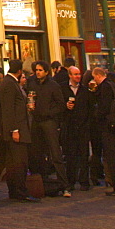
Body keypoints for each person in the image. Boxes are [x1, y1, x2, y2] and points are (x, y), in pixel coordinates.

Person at [0, 58, 39, 203]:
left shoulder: (9, 83)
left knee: (14, 162)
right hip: (17, 130)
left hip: (17, 129)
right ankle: (20, 191)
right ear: (20, 71)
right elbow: (9, 109)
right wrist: (14, 129)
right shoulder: (10, 84)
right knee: (19, 162)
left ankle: (15, 190)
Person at [30, 60, 69, 196]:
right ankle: (43, 183)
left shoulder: (53, 85)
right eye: (36, 70)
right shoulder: (32, 83)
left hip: (49, 121)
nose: (38, 72)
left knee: (55, 152)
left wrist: (49, 113)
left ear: (46, 72)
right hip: (36, 121)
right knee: (38, 152)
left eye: (40, 70)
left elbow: (60, 104)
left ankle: (64, 185)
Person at [92, 66, 115, 197]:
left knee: (113, 157)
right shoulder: (113, 85)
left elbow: (104, 107)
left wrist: (96, 115)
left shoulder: (104, 87)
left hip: (109, 126)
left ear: (97, 76)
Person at [60, 66, 91, 192]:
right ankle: (71, 181)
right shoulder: (63, 88)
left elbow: (89, 108)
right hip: (69, 126)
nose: (78, 76)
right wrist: (65, 106)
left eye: (79, 74)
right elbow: (58, 105)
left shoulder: (85, 89)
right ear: (70, 75)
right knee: (70, 155)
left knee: (84, 155)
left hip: (82, 126)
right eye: (75, 74)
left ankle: (84, 181)